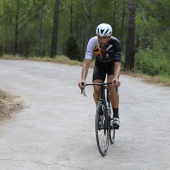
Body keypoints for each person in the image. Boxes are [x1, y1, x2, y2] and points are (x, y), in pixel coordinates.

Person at [78, 23, 121, 128]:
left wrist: (116, 78)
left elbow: (117, 65)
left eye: (104, 38)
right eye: (99, 37)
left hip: (111, 66)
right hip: (100, 65)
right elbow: (86, 63)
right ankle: (100, 114)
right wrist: (83, 79)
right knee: (96, 89)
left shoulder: (116, 43)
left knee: (111, 86)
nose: (101, 40)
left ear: (109, 37)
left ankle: (115, 116)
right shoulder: (93, 42)